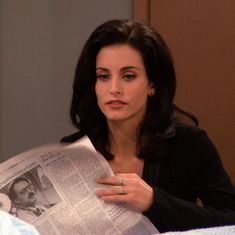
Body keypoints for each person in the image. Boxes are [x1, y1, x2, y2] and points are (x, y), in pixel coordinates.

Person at [61, 19, 235, 233]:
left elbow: (230, 219)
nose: (114, 89)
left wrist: (155, 201)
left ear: (152, 85)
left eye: (128, 76)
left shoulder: (190, 144)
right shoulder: (73, 150)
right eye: (103, 76)